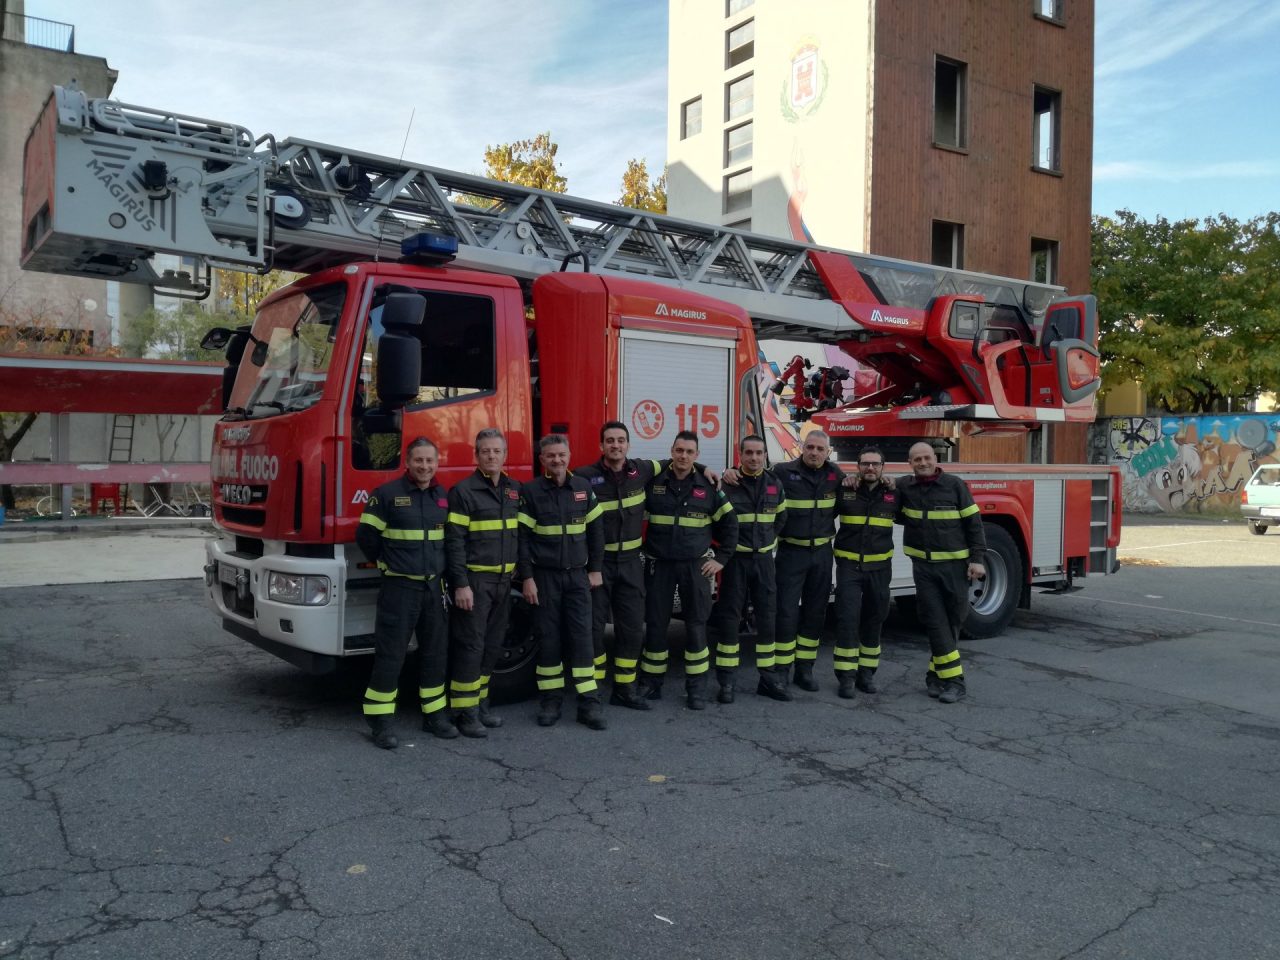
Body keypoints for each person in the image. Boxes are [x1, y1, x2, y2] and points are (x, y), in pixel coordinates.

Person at [575, 421, 720, 710]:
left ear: (628, 445)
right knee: (592, 631)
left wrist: (705, 468)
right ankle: (590, 695)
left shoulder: (641, 470)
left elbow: (679, 460)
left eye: (621, 440)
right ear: (601, 446)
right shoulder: (583, 477)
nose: (615, 445)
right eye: (610, 441)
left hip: (630, 565)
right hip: (598, 566)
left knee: (631, 630)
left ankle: (625, 689)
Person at [355, 436, 454, 749]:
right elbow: (366, 536)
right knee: (391, 655)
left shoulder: (442, 496)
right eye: (418, 460)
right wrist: (386, 560)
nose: (424, 466)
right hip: (400, 587)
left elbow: (450, 541)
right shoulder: (386, 495)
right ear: (408, 462)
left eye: (430, 461)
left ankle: (435, 716)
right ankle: (380, 722)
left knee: (435, 653)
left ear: (436, 463)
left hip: (433, 587)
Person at [639, 430, 738, 710]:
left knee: (696, 626)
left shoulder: (708, 487)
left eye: (689, 452)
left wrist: (721, 558)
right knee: (656, 625)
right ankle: (651, 684)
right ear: (671, 451)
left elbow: (730, 524)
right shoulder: (654, 481)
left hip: (696, 567)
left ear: (696, 455)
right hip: (660, 565)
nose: (683, 456)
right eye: (679, 450)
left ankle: (696, 689)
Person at [518, 434, 607, 729]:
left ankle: (589, 703)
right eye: (550, 456)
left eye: (561, 454)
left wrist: (595, 569)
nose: (557, 460)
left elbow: (596, 533)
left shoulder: (582, 488)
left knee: (583, 637)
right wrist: (528, 578)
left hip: (578, 577)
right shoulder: (530, 492)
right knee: (549, 638)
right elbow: (522, 540)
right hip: (545, 578)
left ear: (570, 456)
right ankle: (551, 700)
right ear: (542, 459)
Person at [745, 429, 841, 693]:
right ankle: (781, 670)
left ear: (828, 452)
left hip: (822, 554)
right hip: (791, 554)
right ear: (801, 446)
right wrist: (731, 471)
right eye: (810, 447)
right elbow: (753, 476)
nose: (814, 452)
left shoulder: (836, 476)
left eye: (820, 449)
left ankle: (805, 670)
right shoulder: (783, 472)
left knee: (814, 612)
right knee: (786, 612)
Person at [896, 441, 986, 703]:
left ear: (935, 458)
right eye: (916, 460)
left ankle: (935, 675)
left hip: (955, 569)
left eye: (926, 458)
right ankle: (955, 682)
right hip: (923, 569)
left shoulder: (955, 485)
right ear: (909, 464)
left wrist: (977, 559)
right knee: (936, 622)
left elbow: (974, 524)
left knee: (953, 621)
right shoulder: (904, 487)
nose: (922, 463)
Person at [444, 428, 520, 739]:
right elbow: (455, 542)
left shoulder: (514, 490)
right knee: (471, 647)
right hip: (475, 582)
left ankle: (481, 703)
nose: (491, 456)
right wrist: (460, 584)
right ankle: (465, 713)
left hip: (504, 581)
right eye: (485, 451)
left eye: (496, 451)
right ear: (476, 456)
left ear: (505, 456)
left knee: (492, 646)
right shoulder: (463, 492)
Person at [709, 434, 789, 703]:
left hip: (764, 562)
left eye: (759, 453)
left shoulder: (774, 484)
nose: (754, 458)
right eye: (749, 453)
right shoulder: (728, 484)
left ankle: (767, 678)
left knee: (767, 619)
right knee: (729, 620)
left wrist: (768, 542)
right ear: (740, 455)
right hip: (735, 563)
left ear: (765, 455)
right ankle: (726, 682)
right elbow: (715, 523)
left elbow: (781, 518)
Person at [832, 445, 896, 699]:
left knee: (874, 619)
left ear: (883, 468)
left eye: (875, 464)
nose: (870, 468)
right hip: (849, 568)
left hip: (880, 569)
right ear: (858, 467)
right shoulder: (845, 489)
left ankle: (866, 674)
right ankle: (846, 678)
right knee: (847, 620)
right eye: (865, 464)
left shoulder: (894, 493)